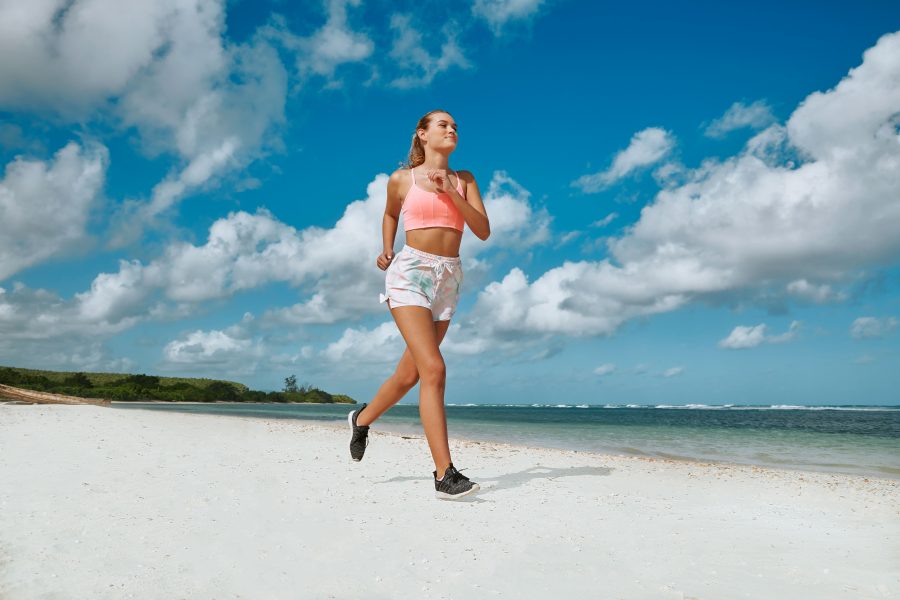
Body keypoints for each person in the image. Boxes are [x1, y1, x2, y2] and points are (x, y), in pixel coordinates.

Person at [347, 109, 491, 500]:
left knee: (410, 376)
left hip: (449, 278)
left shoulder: (465, 180)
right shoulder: (401, 179)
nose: (451, 129)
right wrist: (386, 249)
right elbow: (390, 213)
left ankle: (361, 419)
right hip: (410, 273)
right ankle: (445, 473)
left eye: (455, 126)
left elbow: (482, 230)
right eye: (443, 124)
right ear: (422, 135)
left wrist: (449, 192)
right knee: (434, 368)